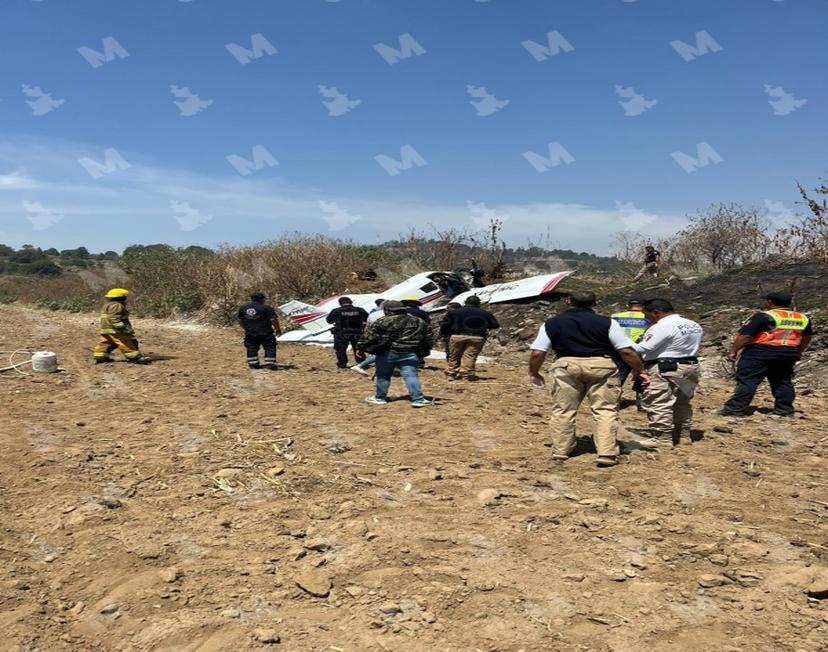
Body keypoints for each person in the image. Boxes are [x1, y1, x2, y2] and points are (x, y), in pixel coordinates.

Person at [528, 292, 648, 467]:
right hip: (602, 365)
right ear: (595, 303)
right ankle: (606, 452)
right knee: (605, 410)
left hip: (566, 365)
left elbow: (538, 352)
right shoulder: (608, 322)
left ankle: (561, 451)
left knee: (563, 410)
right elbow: (626, 351)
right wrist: (640, 370)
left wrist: (534, 372)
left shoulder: (552, 323)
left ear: (568, 302)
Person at [721, 291, 812, 417]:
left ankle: (734, 409)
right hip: (787, 354)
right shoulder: (802, 318)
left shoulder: (764, 316)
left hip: (760, 352)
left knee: (748, 380)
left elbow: (746, 336)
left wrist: (733, 351)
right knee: (782, 381)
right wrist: (798, 352)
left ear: (770, 302)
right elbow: (806, 337)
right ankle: (784, 409)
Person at [633, 298, 703, 446]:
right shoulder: (693, 324)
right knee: (683, 402)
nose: (646, 319)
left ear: (656, 313)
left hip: (665, 368)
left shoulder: (662, 327)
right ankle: (684, 435)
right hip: (690, 367)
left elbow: (644, 348)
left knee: (659, 402)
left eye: (647, 315)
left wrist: (623, 346)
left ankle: (662, 437)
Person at [358, 300, 433, 407]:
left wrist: (361, 347)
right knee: (411, 376)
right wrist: (424, 352)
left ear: (387, 310)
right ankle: (418, 399)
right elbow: (428, 338)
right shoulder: (418, 321)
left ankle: (380, 398)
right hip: (410, 352)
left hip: (387, 353)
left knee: (383, 376)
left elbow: (369, 337)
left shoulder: (382, 321)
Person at [442, 296, 499, 381]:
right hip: (477, 337)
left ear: (465, 302)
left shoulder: (454, 312)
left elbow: (445, 324)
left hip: (457, 336)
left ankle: (451, 374)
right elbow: (495, 325)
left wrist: (446, 334)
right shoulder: (485, 313)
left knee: (454, 355)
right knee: (469, 356)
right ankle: (466, 375)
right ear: (479, 303)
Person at [93, 288, 151, 365]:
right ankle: (134, 358)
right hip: (116, 330)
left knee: (106, 343)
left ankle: (100, 357)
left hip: (106, 330)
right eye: (124, 297)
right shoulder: (117, 305)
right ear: (121, 297)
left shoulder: (107, 305)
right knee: (126, 342)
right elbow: (114, 318)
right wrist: (121, 327)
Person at [611, 299, 651, 408]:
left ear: (627, 306)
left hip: (620, 349)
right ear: (643, 306)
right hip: (640, 349)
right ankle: (642, 403)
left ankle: (613, 401)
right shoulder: (647, 316)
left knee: (618, 377)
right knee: (642, 376)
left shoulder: (615, 316)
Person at [238, 292, 282, 370]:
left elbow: (240, 320)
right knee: (269, 347)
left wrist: (245, 328)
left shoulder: (243, 308)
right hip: (266, 332)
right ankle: (270, 364)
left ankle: (253, 364)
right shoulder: (266, 308)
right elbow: (273, 320)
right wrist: (278, 329)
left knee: (251, 348)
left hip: (250, 333)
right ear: (262, 299)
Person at [326, 297, 369, 369]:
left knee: (340, 349)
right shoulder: (360, 310)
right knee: (358, 348)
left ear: (340, 303)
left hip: (341, 333)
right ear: (351, 302)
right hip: (357, 332)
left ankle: (342, 364)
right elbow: (367, 318)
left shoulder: (336, 311)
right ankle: (362, 363)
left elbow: (329, 320)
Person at [350, 300, 386, 376]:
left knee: (380, 352)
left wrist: (365, 338)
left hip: (374, 336)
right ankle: (360, 365)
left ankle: (361, 365)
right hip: (386, 336)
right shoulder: (388, 315)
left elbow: (367, 326)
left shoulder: (373, 314)